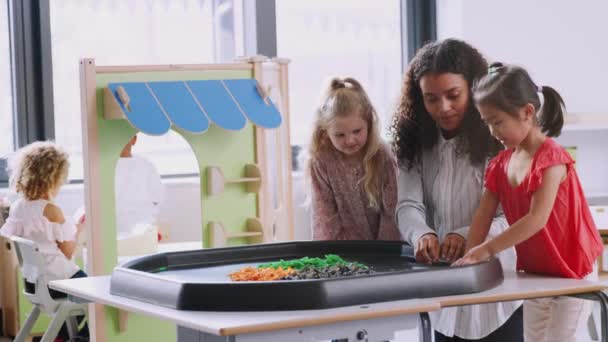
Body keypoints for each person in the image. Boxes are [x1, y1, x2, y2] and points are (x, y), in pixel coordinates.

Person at [454, 62, 603, 341]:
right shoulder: (500, 164)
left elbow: (537, 219)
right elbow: (483, 216)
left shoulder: (551, 158)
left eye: (497, 121)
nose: (491, 130)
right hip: (538, 272)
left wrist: (486, 250)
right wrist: (470, 256)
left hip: (573, 270)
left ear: (527, 112)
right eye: (486, 122)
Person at [391, 39, 523, 341]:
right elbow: (408, 204)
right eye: (431, 99)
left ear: (475, 89)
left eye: (453, 95)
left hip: (500, 288)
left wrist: (464, 234)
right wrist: (421, 234)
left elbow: (513, 216)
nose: (443, 108)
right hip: (443, 291)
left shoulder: (499, 138)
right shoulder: (415, 143)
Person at [0, 141, 88, 340]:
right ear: (53, 178)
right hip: (58, 281)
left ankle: (62, 336)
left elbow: (37, 240)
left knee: (75, 305)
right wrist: (79, 229)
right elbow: (67, 251)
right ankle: (83, 337)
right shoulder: (51, 210)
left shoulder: (17, 207)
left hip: (35, 282)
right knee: (96, 296)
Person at [308, 77, 401, 241]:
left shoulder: (382, 156)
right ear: (326, 132)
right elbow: (324, 217)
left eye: (357, 131)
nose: (350, 140)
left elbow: (392, 212)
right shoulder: (321, 161)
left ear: (369, 124)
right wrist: (335, 258)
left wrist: (385, 254)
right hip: (343, 252)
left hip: (385, 249)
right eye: (340, 135)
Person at [114, 134, 164, 239]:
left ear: (134, 140)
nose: (121, 140)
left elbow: (158, 197)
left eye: (126, 136)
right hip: (115, 224)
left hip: (142, 224)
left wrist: (148, 219)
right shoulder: (106, 165)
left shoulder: (145, 165)